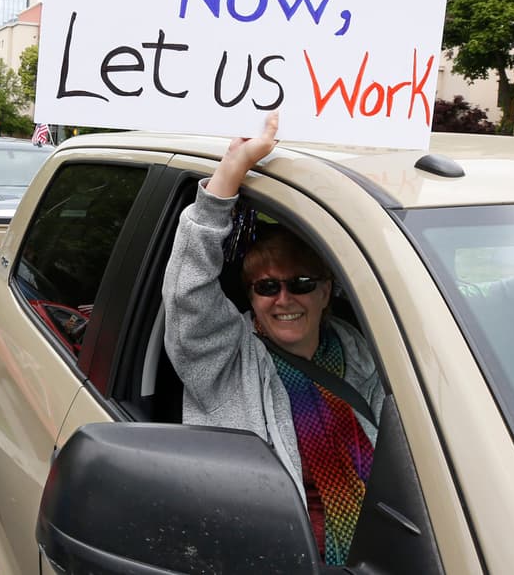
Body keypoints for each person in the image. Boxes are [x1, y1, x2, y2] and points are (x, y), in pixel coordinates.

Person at [162, 111, 384, 567]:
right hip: (273, 559)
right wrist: (228, 175)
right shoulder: (224, 357)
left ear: (327, 290)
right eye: (266, 286)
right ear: (251, 297)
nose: (284, 298)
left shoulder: (366, 353)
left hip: (383, 553)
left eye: (301, 283)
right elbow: (187, 292)